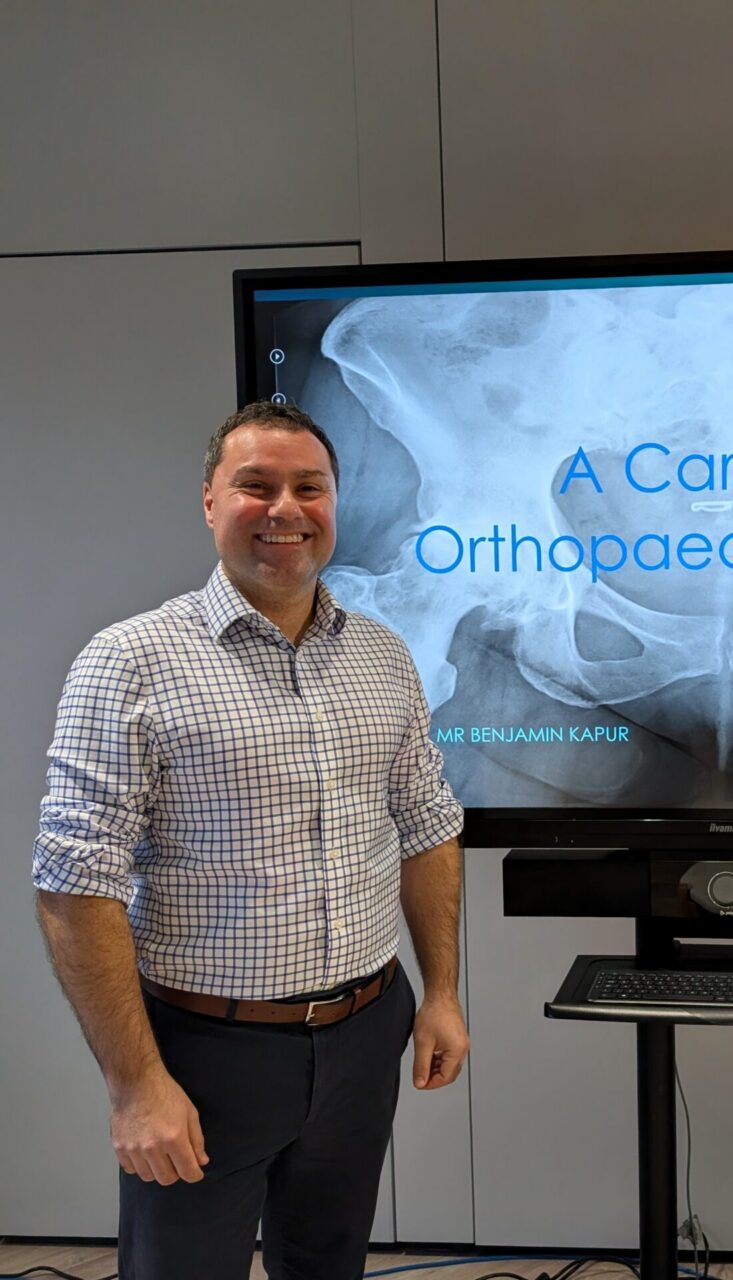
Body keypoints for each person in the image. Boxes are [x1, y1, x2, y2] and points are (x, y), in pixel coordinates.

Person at [33, 401, 467, 1280]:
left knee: (328, 1266)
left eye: (310, 487)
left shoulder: (383, 657)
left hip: (364, 1034)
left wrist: (443, 993)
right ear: (209, 502)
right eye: (255, 486)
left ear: (335, 501)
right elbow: (74, 884)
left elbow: (427, 824)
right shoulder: (131, 660)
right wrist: (136, 1087)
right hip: (205, 1055)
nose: (285, 510)